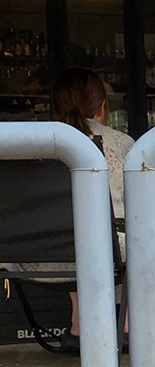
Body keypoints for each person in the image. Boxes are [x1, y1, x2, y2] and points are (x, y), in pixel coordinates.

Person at [4, 67, 134, 352]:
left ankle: (79, 325)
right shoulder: (123, 145)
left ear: (53, 108)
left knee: (73, 232)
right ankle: (125, 324)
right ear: (102, 108)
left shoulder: (26, 145)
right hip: (107, 256)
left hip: (34, 258)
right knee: (128, 238)